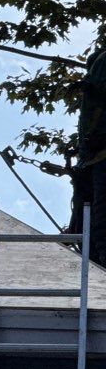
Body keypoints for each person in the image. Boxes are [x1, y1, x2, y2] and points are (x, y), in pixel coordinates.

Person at [75, 45, 106, 264]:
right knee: (94, 219)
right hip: (94, 158)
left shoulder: (102, 64)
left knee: (100, 220)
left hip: (99, 158)